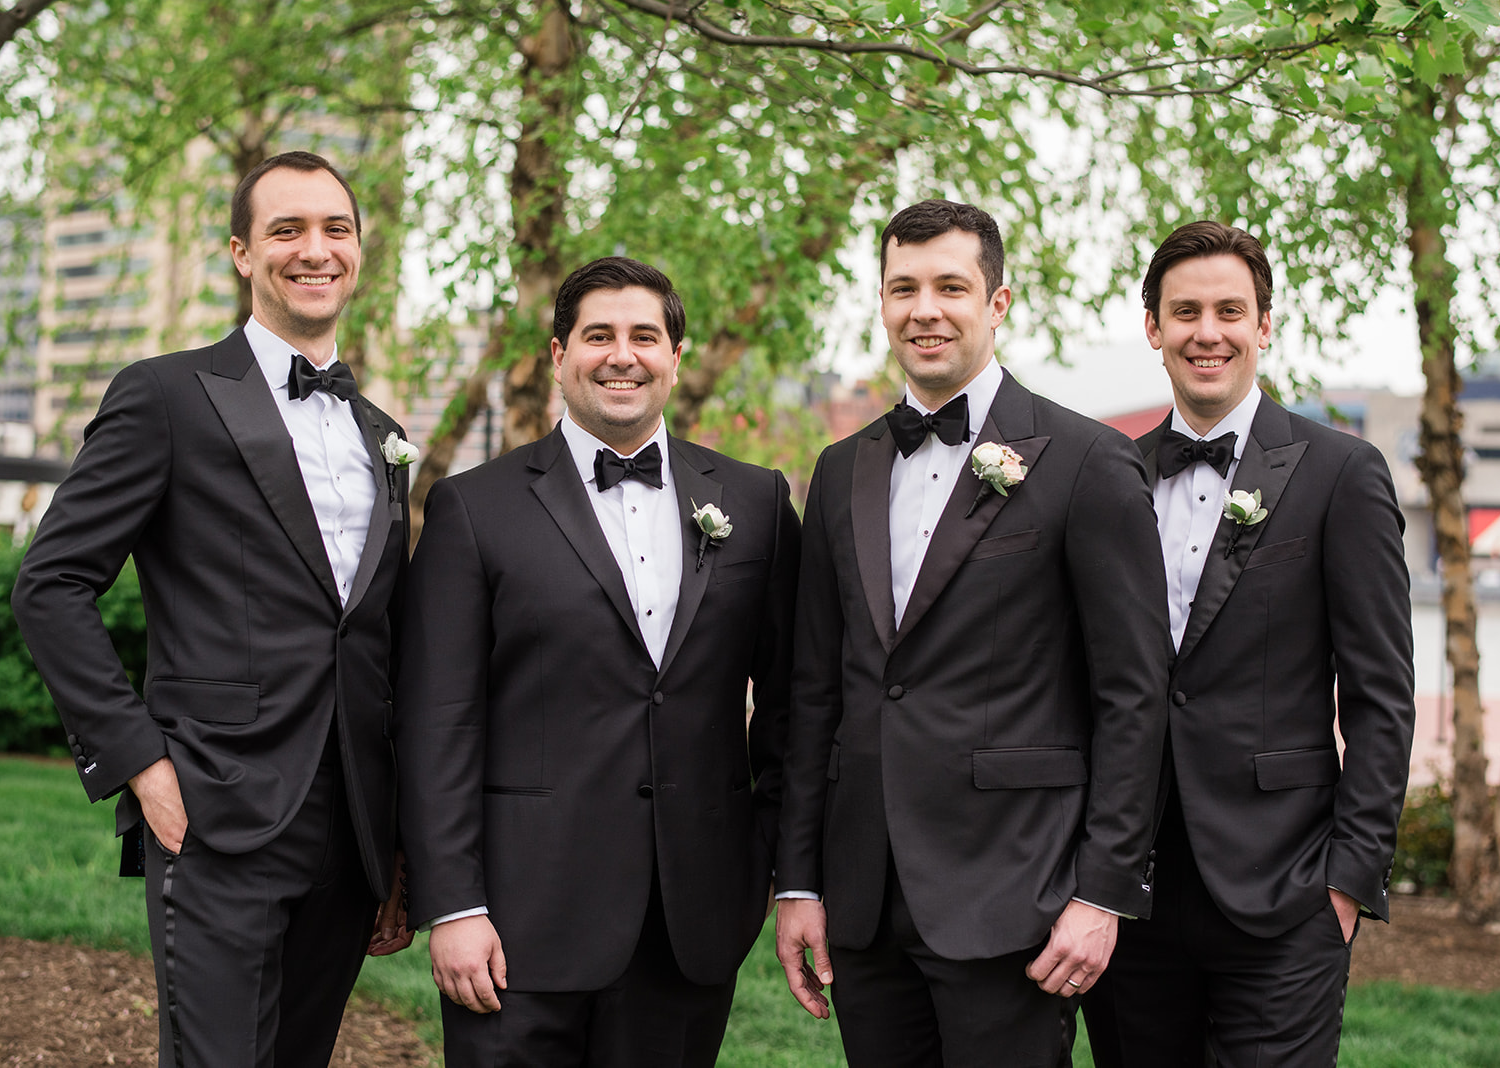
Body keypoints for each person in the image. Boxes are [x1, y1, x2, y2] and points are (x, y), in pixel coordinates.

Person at [11, 150, 413, 1067]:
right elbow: (52, 581)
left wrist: (400, 838)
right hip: (213, 805)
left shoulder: (382, 434)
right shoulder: (165, 395)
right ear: (241, 253)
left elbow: (381, 636)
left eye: (336, 229)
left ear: (359, 250)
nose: (315, 250)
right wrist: (138, 758)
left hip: (351, 827)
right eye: (287, 230)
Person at [773, 199, 1171, 1067]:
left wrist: (1102, 893)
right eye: (902, 288)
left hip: (1017, 894)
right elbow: (815, 691)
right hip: (866, 896)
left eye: (951, 286)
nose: (925, 309)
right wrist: (798, 880)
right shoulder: (842, 469)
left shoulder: (1088, 463)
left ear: (998, 302)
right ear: (881, 304)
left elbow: (1133, 698)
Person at [392, 256, 800, 1068]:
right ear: (558, 356)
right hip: (515, 924)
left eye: (645, 336)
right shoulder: (474, 507)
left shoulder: (755, 505)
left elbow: (796, 704)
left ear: (675, 357)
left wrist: (762, 855)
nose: (623, 355)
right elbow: (436, 719)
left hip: (689, 921)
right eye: (598, 336)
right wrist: (454, 904)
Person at [1081, 220, 1416, 1067]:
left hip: (1286, 888)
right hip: (1131, 889)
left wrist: (1348, 881)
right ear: (1152, 327)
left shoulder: (1343, 472)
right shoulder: (1105, 474)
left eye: (1231, 310)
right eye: (1184, 311)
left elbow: (1382, 697)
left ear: (1264, 326)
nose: (1208, 332)